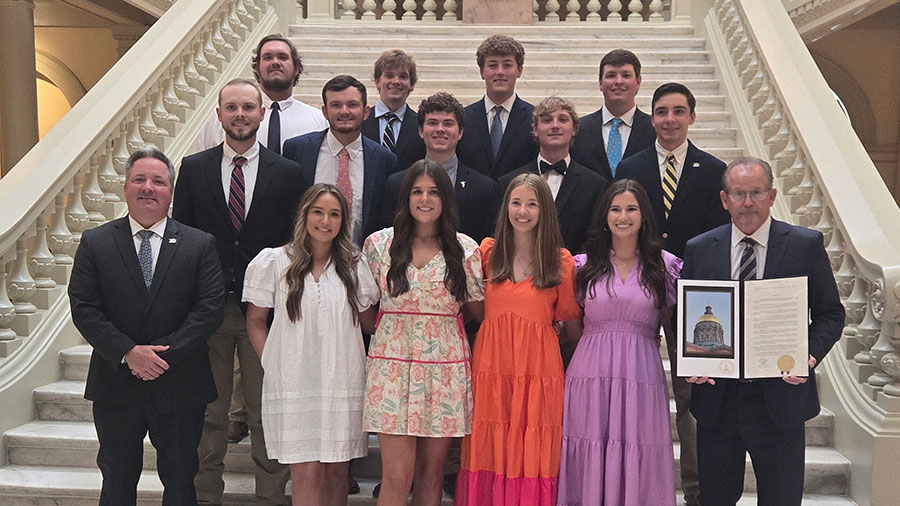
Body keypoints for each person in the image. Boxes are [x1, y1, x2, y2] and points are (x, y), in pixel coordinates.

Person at [174, 78, 307, 505]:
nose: (240, 115)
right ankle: (205, 497)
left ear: (261, 113)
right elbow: (182, 238)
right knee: (209, 414)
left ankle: (272, 497)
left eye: (248, 107)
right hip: (207, 311)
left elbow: (294, 243)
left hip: (265, 314)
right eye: (231, 107)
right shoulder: (193, 169)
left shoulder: (289, 174)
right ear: (218, 115)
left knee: (267, 410)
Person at [683, 157, 845, 505]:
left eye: (756, 192)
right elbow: (689, 312)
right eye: (739, 194)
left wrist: (809, 355)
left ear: (772, 196)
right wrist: (693, 360)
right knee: (716, 498)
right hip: (718, 401)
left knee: (781, 498)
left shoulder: (805, 245)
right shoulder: (699, 249)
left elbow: (831, 313)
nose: (748, 202)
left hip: (780, 400)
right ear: (725, 200)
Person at [68, 147, 225, 505]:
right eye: (139, 179)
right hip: (116, 384)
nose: (148, 188)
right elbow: (85, 308)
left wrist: (160, 356)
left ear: (171, 191)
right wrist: (128, 353)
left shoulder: (199, 244)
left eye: (159, 181)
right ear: (125, 188)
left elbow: (209, 310)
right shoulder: (96, 242)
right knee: (117, 478)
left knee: (182, 478)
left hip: (181, 382)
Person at [615, 82, 729, 505]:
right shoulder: (632, 164)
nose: (669, 120)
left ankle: (697, 488)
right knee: (635, 389)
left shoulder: (712, 167)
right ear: (652, 117)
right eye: (661, 112)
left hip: (696, 299)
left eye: (678, 111)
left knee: (692, 395)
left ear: (692, 117)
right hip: (639, 287)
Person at [243, 184, 380, 506]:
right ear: (304, 215)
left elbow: (371, 323)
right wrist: (272, 363)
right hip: (293, 383)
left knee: (336, 471)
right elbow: (255, 321)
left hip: (341, 380)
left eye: (334, 214)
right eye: (318, 212)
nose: (325, 221)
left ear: (343, 221)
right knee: (305, 471)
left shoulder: (354, 265)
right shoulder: (275, 262)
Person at [362, 160, 484, 506]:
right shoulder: (378, 245)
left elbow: (480, 311)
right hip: (392, 369)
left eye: (433, 192)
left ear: (446, 198)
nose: (425, 199)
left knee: (431, 477)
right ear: (406, 197)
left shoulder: (466, 250)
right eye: (417, 191)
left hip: (445, 371)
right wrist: (391, 333)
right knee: (397, 477)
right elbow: (362, 305)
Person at [456, 173, 582, 506]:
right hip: (491, 369)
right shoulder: (486, 254)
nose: (522, 211)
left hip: (538, 374)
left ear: (545, 211)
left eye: (531, 204)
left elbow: (571, 327)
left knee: (533, 450)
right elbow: (478, 311)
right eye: (516, 202)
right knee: (490, 445)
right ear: (505, 207)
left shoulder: (561, 263)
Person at [557, 179, 680, 506]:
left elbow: (672, 322)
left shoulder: (665, 266)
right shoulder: (582, 266)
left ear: (644, 215)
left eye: (631, 209)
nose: (622, 217)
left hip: (641, 373)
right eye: (615, 209)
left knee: (639, 447)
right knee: (589, 445)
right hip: (590, 372)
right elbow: (571, 323)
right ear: (604, 215)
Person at [283, 75, 396, 247]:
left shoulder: (383, 160)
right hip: (307, 260)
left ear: (366, 112)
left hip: (360, 262)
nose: (344, 111)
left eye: (352, 105)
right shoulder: (297, 150)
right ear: (324, 111)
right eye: (336, 105)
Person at [380, 92, 500, 243]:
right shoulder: (397, 184)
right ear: (421, 131)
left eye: (448, 123)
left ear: (460, 132)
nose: (440, 129)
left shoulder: (484, 188)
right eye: (432, 123)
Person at [499, 96, 608, 254]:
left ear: (574, 129)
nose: (555, 126)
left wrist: (570, 265)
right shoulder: (508, 182)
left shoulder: (595, 185)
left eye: (563, 120)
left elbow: (595, 237)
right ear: (535, 130)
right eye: (547, 120)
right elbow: (502, 232)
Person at [196, 34, 327, 153]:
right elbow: (204, 165)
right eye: (268, 57)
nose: (275, 62)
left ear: (297, 68)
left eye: (282, 57)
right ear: (257, 67)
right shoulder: (224, 118)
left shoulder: (319, 121)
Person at [456, 35, 538, 180]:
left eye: (507, 65)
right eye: (493, 65)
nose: (500, 72)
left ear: (519, 70)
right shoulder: (463, 118)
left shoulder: (535, 118)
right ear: (482, 72)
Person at [571, 49, 656, 180]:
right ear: (600, 83)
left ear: (638, 82)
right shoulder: (578, 129)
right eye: (611, 75)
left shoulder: (655, 129)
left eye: (626, 75)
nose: (618, 81)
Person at [362, 49, 427, 173]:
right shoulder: (360, 122)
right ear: (377, 82)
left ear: (411, 84)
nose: (396, 81)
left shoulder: (421, 125)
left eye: (403, 76)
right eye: (389, 75)